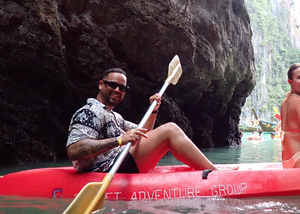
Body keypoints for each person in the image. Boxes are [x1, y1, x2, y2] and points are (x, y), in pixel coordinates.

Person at [66, 68, 218, 173]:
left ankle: (207, 168)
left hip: (121, 162)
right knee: (170, 130)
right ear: (101, 84)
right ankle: (213, 172)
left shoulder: (115, 116)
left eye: (122, 88)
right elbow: (74, 150)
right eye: (112, 85)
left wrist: (153, 110)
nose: (118, 90)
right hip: (108, 168)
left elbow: (144, 133)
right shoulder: (89, 112)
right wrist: (119, 140)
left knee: (163, 133)